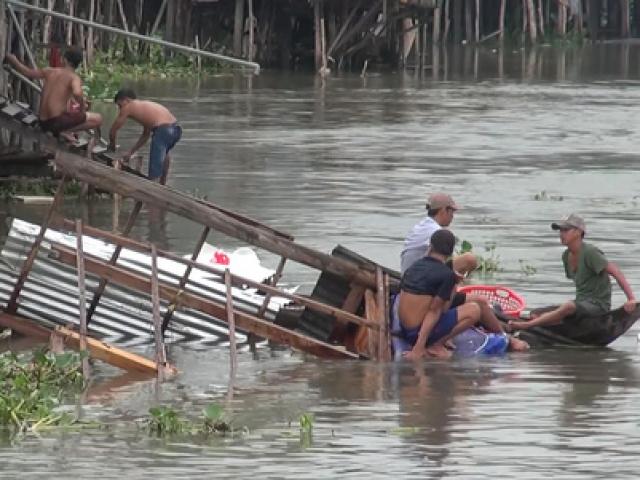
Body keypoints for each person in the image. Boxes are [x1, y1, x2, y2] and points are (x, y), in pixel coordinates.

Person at [398, 229, 527, 360]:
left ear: (430, 247)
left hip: (406, 327)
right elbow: (434, 311)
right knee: (474, 310)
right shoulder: (445, 275)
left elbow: (441, 306)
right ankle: (436, 344)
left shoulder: (415, 266)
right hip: (415, 332)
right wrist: (419, 347)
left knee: (480, 301)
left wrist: (454, 284)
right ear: (450, 253)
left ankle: (505, 336)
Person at [509, 214, 636, 331]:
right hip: (581, 304)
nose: (561, 234)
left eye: (565, 230)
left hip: (598, 306)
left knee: (568, 306)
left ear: (578, 232)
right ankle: (543, 325)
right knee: (536, 313)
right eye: (560, 230)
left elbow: (616, 272)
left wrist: (631, 299)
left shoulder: (590, 253)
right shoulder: (566, 256)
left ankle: (527, 326)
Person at [4, 48, 102, 138]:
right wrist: (82, 107)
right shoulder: (74, 77)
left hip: (42, 122)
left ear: (64, 60)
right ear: (78, 64)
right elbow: (77, 93)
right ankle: (64, 131)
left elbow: (27, 72)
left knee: (69, 109)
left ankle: (63, 130)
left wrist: (13, 60)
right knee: (98, 119)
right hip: (55, 123)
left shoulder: (49, 71)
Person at [108, 89, 181, 184]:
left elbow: (113, 131)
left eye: (120, 105)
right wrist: (130, 152)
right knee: (164, 154)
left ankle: (153, 188)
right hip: (176, 129)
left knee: (155, 167)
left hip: (164, 130)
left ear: (126, 100)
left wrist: (112, 145)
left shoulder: (128, 107)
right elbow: (145, 136)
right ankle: (163, 184)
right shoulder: (144, 108)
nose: (120, 109)